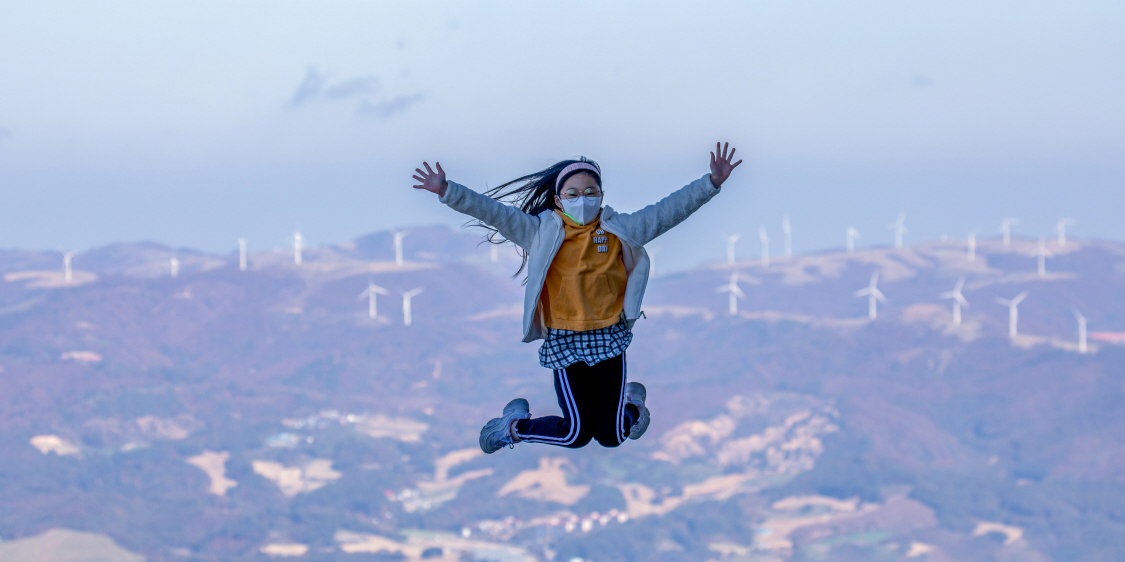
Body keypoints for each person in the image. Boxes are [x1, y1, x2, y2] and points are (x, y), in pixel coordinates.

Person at [411, 143, 742, 453]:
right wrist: (446, 190)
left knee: (611, 438)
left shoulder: (621, 229)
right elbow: (494, 213)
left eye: (590, 192)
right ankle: (512, 428)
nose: (581, 198)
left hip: (609, 339)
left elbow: (668, 211)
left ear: (601, 196)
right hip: (566, 343)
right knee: (576, 434)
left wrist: (711, 183)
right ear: (558, 200)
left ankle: (632, 406)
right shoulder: (539, 231)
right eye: (572, 193)